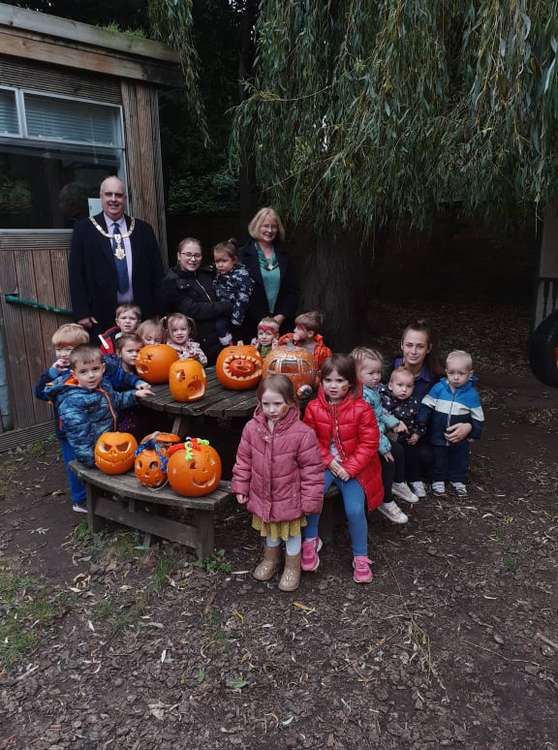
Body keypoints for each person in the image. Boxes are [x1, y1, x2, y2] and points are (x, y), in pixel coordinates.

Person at [35, 325, 150, 512]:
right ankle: (81, 500)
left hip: (100, 433)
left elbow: (115, 397)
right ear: (75, 373)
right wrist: (51, 374)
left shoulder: (100, 377)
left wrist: (135, 393)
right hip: (73, 433)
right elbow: (42, 393)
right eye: (59, 349)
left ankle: (100, 492)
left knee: (98, 461)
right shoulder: (67, 387)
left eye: (69, 349)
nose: (63, 354)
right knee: (76, 464)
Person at [232, 374, 324, 591]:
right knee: (270, 531)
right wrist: (241, 486)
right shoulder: (252, 429)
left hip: (289, 497)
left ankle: (292, 567)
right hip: (263, 494)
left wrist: (310, 501)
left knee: (291, 533)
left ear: (291, 402)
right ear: (259, 403)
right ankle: (270, 560)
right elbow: (244, 460)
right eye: (266, 404)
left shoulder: (302, 434)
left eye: (277, 404)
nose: (271, 409)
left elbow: (312, 470)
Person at [301, 354, 383, 584]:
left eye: (339, 381)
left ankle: (361, 556)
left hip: (354, 469)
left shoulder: (362, 409)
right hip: (325, 465)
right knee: (312, 498)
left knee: (355, 510)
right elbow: (311, 440)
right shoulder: (314, 408)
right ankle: (310, 541)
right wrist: (329, 461)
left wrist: (350, 467)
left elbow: (369, 443)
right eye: (328, 380)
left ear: (350, 383)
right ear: (321, 381)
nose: (333, 386)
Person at [69, 176, 163, 337]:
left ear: (125, 199)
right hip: (100, 313)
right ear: (101, 197)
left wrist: (159, 310)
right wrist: (82, 311)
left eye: (118, 195)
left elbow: (157, 272)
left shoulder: (143, 230)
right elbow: (76, 273)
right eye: (109, 194)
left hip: (140, 313)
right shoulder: (84, 229)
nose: (114, 199)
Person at [44, 344, 151, 469]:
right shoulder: (72, 401)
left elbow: (115, 400)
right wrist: (93, 461)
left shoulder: (103, 384)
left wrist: (135, 394)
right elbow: (79, 437)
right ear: (74, 375)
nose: (91, 375)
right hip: (94, 455)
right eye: (83, 371)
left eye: (95, 369)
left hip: (108, 445)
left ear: (103, 368)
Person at [351, 347, 412, 525]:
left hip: (375, 435)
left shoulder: (372, 389)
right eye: (371, 373)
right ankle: (386, 500)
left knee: (399, 450)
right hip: (363, 440)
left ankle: (397, 483)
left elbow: (379, 412)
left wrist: (394, 422)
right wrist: (383, 446)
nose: (376, 377)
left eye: (378, 372)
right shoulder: (360, 395)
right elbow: (368, 425)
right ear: (356, 373)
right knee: (389, 459)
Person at [418, 350, 485, 497]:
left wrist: (475, 433)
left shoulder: (471, 394)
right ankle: (438, 480)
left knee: (460, 458)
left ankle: (458, 480)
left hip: (460, 437)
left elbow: (478, 416)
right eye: (451, 373)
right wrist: (421, 420)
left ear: (470, 373)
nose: (456, 377)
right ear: (446, 371)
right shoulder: (439, 388)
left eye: (461, 373)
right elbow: (427, 403)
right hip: (438, 433)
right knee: (439, 457)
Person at [162, 237, 232, 364]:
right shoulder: (171, 281)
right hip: (198, 345)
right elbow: (193, 310)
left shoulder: (208, 273)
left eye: (197, 255)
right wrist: (226, 306)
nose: (193, 259)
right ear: (178, 256)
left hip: (221, 339)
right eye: (188, 255)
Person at [240, 207, 298, 340]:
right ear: (256, 226)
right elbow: (240, 291)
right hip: (252, 324)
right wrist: (263, 321)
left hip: (281, 325)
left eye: (274, 226)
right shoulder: (242, 255)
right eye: (265, 226)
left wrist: (279, 318)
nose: (270, 230)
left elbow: (293, 291)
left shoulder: (285, 254)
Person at [379, 367, 428, 500]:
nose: (404, 390)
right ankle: (397, 481)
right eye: (400, 385)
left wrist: (417, 433)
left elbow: (420, 421)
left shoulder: (413, 402)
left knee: (412, 453)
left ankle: (414, 479)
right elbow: (380, 416)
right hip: (387, 436)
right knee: (393, 455)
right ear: (390, 385)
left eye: (409, 386)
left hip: (406, 436)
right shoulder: (383, 398)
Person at [212, 238, 254, 345]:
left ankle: (233, 347)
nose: (220, 265)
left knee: (239, 335)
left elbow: (243, 298)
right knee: (220, 327)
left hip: (238, 314)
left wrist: (236, 318)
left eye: (224, 261)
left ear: (234, 260)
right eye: (217, 261)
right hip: (224, 310)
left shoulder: (241, 275)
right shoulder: (220, 273)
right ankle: (228, 347)